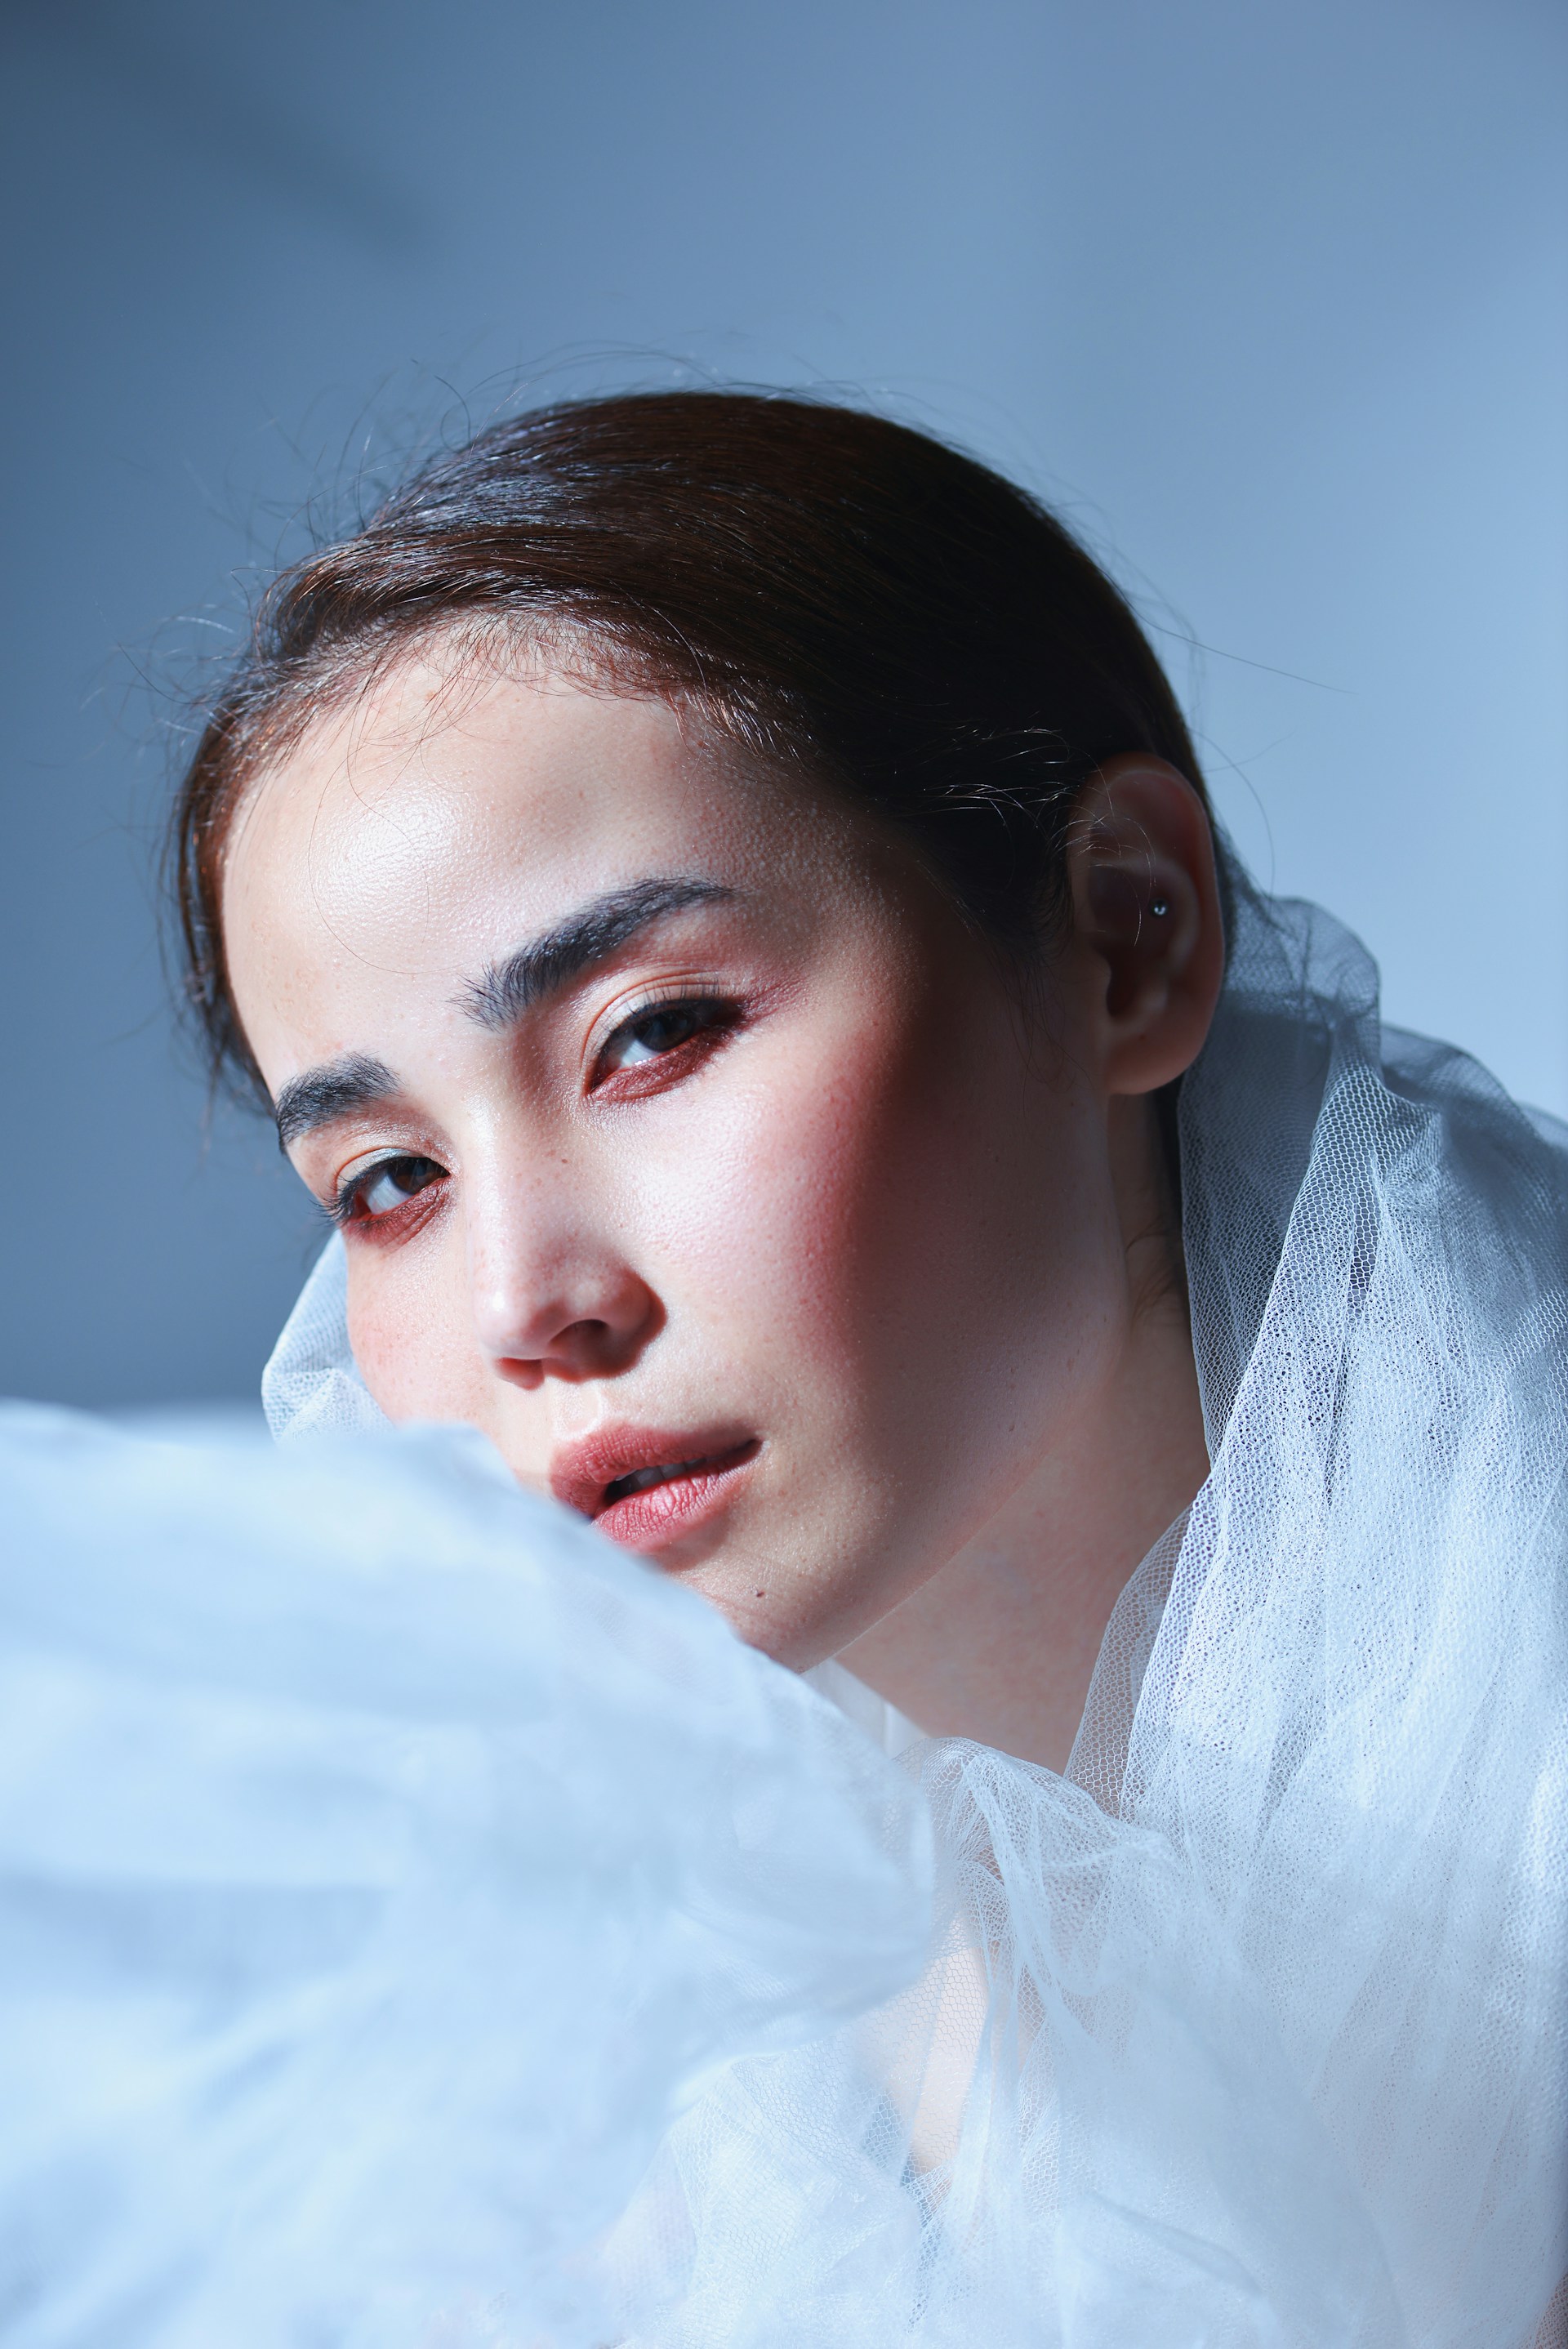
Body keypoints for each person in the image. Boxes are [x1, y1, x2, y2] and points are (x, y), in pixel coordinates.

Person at [3, 392, 1562, 2346]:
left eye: (651, 1037)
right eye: (390, 1176)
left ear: (1124, 939)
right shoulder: (602, 2084)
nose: (524, 1300)